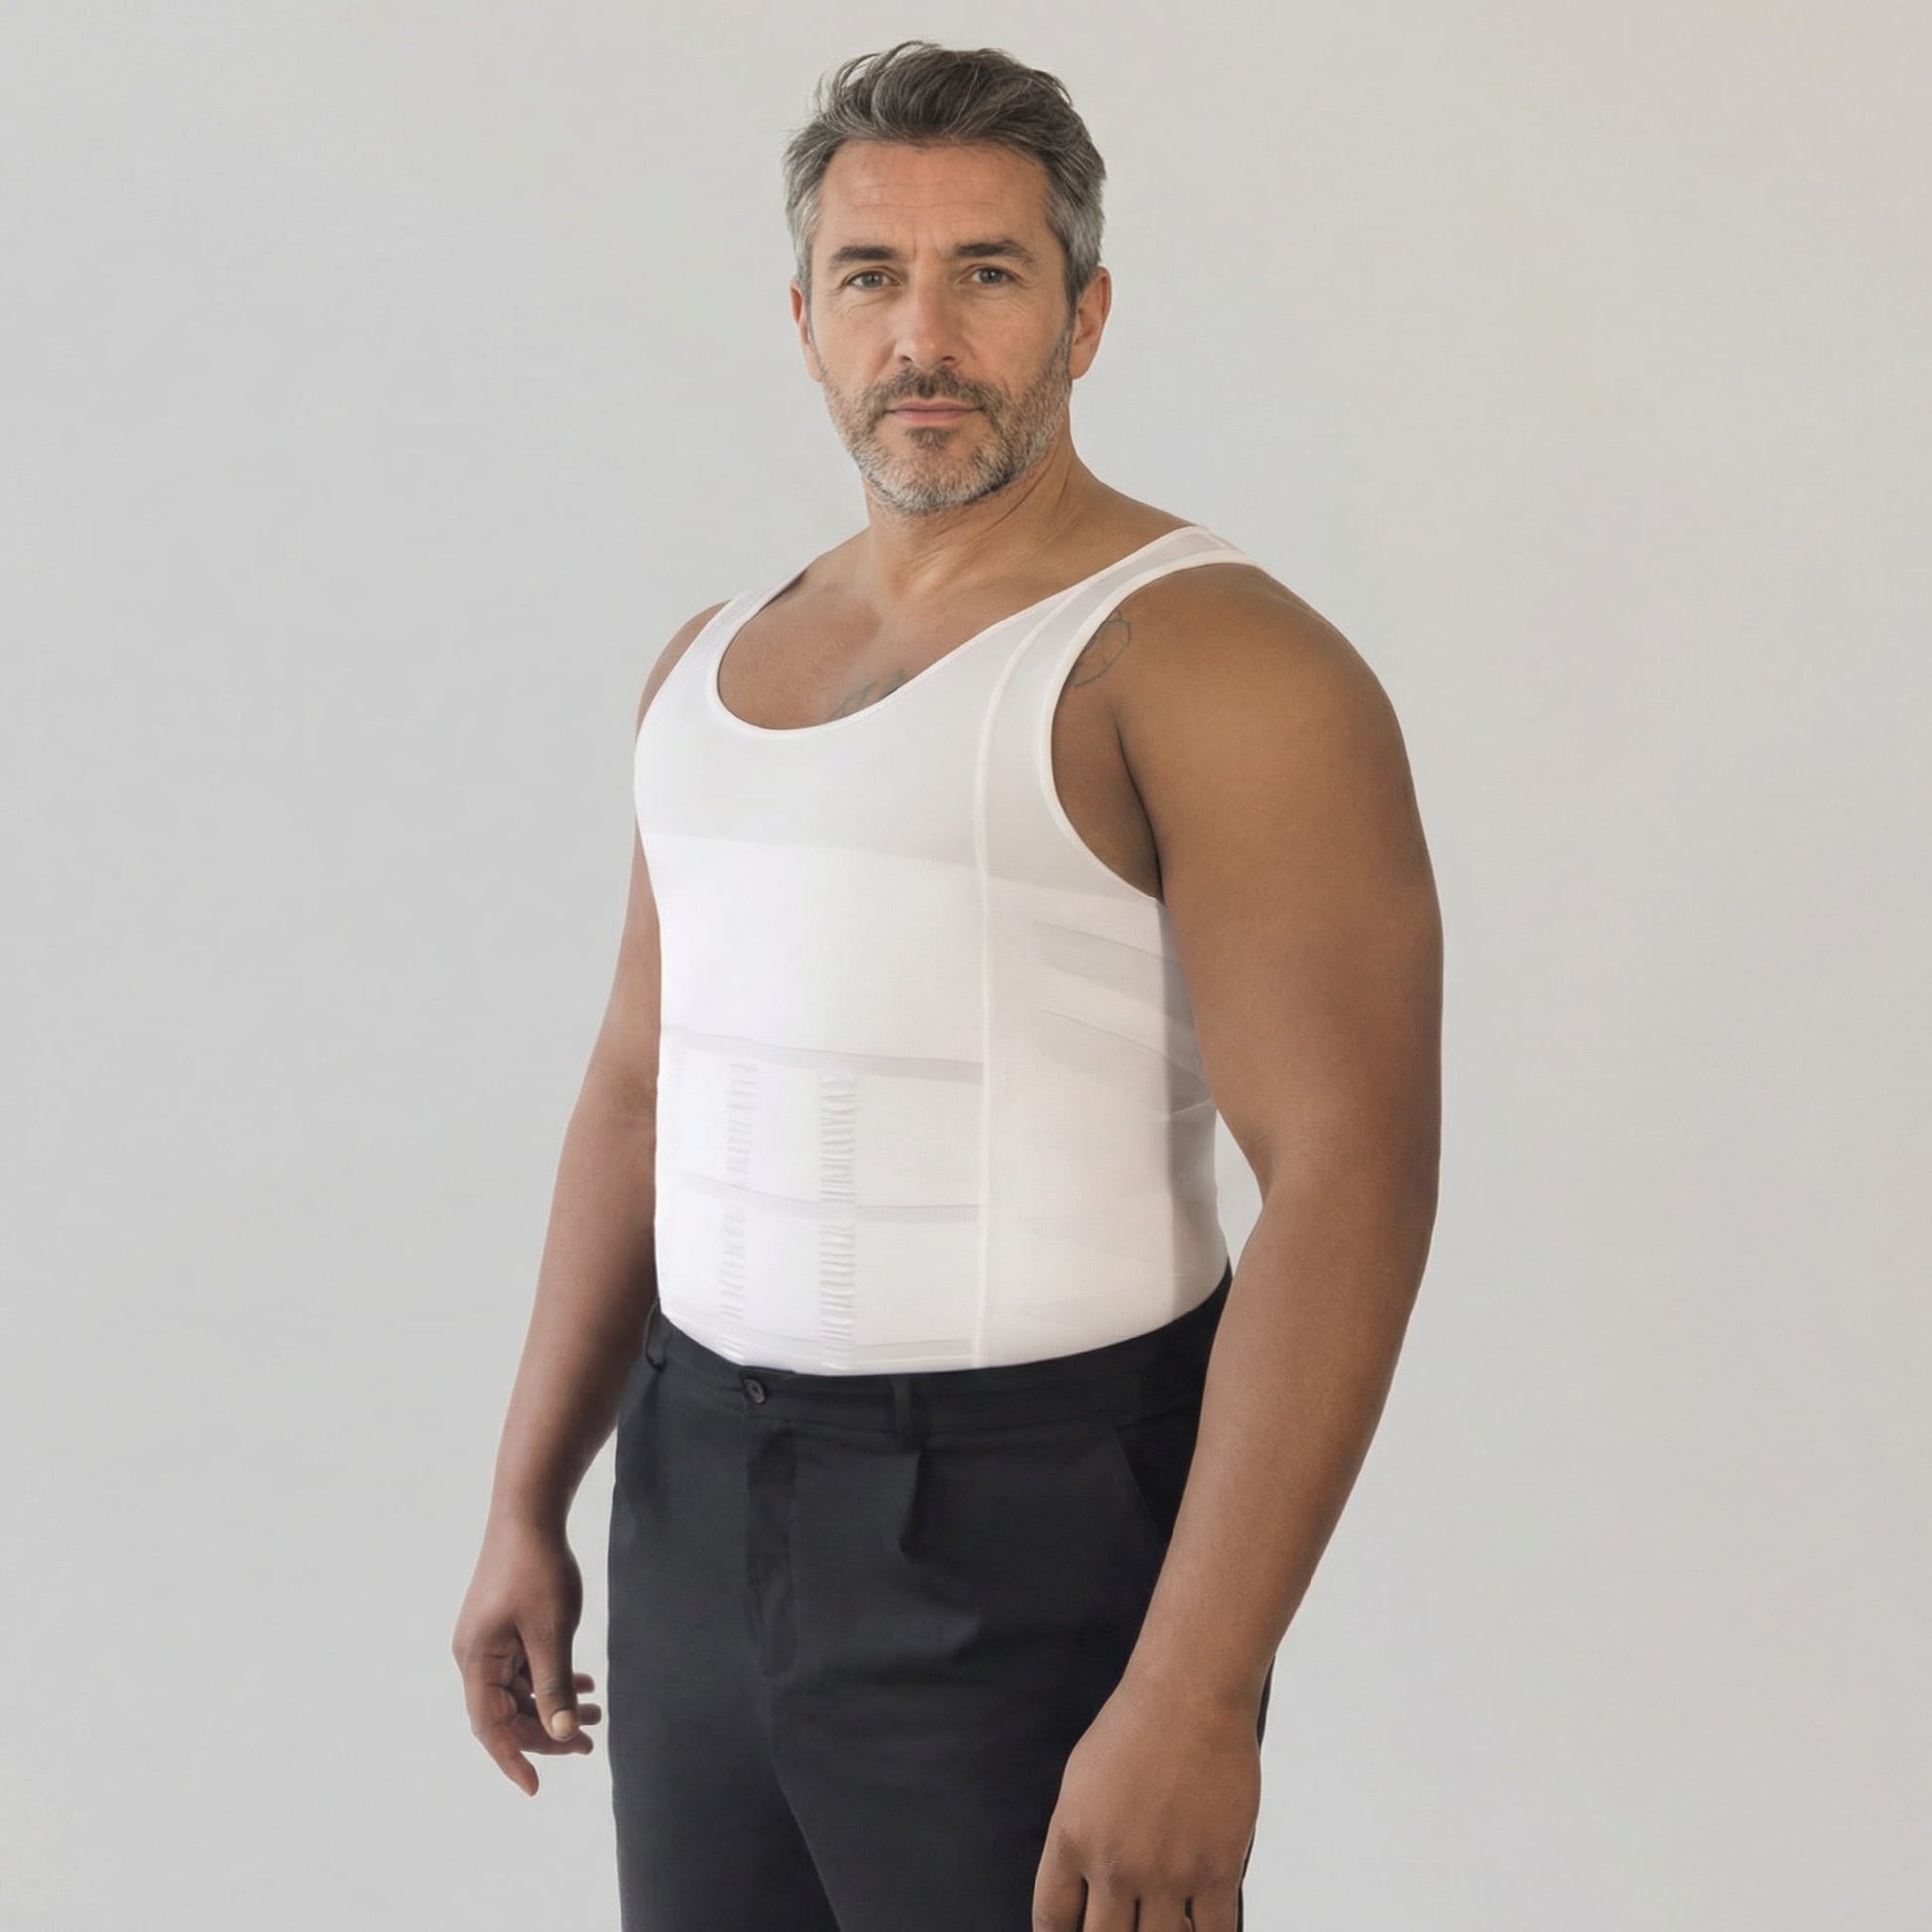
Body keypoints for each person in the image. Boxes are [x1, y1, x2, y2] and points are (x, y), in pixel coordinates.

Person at [451, 37, 1441, 1932]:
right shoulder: (707, 662)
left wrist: (1196, 1689)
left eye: (986, 272)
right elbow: (641, 1086)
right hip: (692, 1492)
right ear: (803, 321)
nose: (923, 335)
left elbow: (1348, 1175)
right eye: (870, 277)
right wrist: (526, 1495)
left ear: (1086, 312)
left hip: (1031, 1526)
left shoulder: (1215, 661)